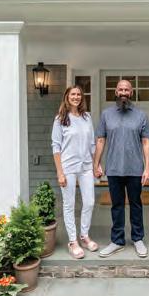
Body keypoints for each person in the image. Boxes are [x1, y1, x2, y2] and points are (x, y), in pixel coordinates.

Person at [93, 79, 149, 258]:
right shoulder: (106, 114)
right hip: (113, 168)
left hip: (135, 168)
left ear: (131, 93)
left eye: (127, 89)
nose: (124, 92)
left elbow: (146, 142)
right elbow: (100, 140)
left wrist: (147, 168)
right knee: (117, 206)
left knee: (136, 204)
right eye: (121, 89)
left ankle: (138, 239)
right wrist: (96, 163)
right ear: (116, 92)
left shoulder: (141, 115)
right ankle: (117, 241)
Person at [51, 86, 98, 259]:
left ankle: (84, 236)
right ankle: (72, 241)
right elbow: (56, 146)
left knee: (90, 202)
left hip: (86, 166)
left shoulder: (87, 117)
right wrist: (60, 172)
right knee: (69, 204)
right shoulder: (60, 119)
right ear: (67, 97)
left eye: (79, 94)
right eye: (73, 94)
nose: (76, 97)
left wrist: (96, 164)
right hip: (68, 167)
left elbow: (92, 143)